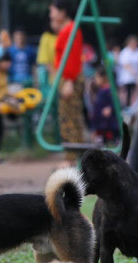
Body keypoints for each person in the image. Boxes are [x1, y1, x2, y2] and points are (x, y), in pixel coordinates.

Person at [50, 0, 86, 167]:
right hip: (65, 77)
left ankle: (71, 158)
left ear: (62, 12)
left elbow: (71, 57)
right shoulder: (66, 29)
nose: (51, 15)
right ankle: (75, 157)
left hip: (69, 77)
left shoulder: (71, 29)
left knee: (69, 117)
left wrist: (69, 80)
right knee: (69, 115)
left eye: (53, 11)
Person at [90, 66, 119, 145]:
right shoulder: (100, 90)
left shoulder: (109, 90)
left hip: (107, 122)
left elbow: (114, 101)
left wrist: (110, 107)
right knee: (100, 135)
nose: (95, 79)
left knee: (108, 135)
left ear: (104, 78)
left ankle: (113, 142)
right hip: (100, 120)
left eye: (97, 77)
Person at [117, 35, 138, 108]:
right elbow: (125, 65)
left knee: (137, 93)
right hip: (127, 78)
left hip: (137, 78)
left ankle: (134, 107)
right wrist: (135, 73)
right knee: (126, 94)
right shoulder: (125, 52)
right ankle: (126, 106)